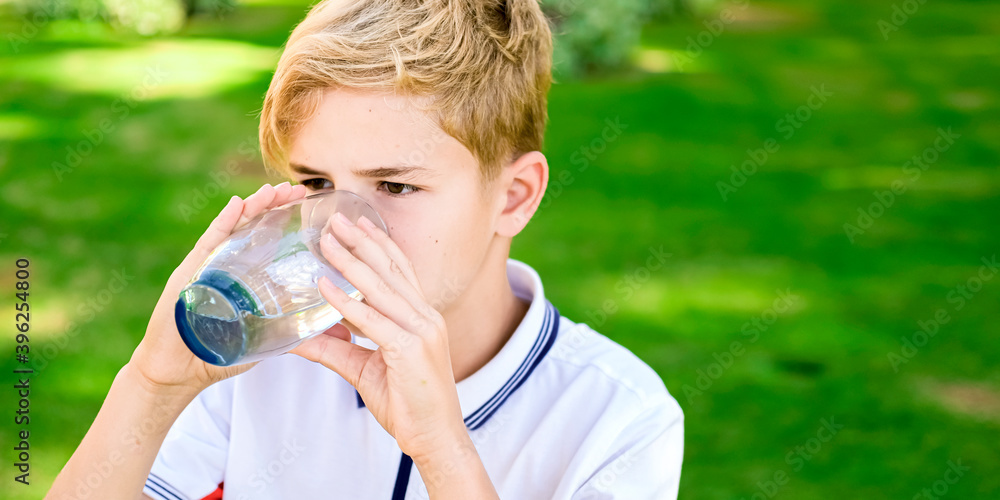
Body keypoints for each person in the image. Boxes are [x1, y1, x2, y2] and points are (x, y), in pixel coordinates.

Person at [47, 0, 684, 498]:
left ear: (513, 197)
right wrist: (153, 384)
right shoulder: (263, 358)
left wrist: (442, 449)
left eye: (395, 186)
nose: (338, 230)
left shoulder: (618, 418)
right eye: (316, 185)